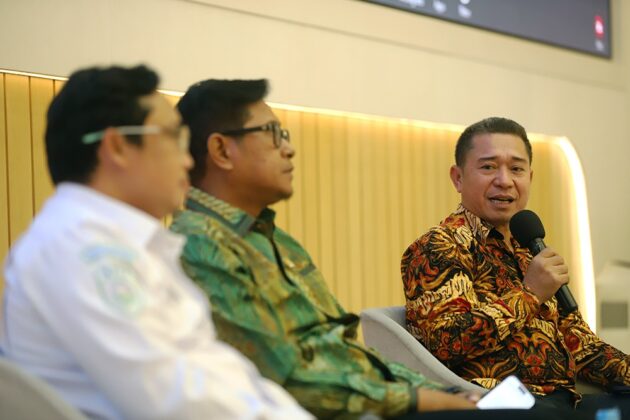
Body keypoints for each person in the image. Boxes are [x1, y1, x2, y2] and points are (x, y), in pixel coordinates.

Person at [170, 80, 582, 420]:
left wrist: (441, 393)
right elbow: (290, 378)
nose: (289, 149)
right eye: (274, 135)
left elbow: (345, 353)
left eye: (517, 168)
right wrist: (428, 399)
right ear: (221, 150)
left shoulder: (275, 241)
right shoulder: (200, 246)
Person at [0, 65, 311, 420]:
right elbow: (172, 398)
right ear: (118, 146)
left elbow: (216, 371)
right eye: (174, 137)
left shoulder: (125, 245)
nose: (188, 159)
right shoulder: (77, 249)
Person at [401, 116, 630, 415]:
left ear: (529, 178)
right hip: (497, 401)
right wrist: (531, 293)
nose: (505, 180)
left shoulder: (530, 250)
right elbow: (447, 343)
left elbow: (582, 346)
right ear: (458, 178)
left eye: (517, 169)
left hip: (564, 400)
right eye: (488, 167)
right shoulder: (439, 246)